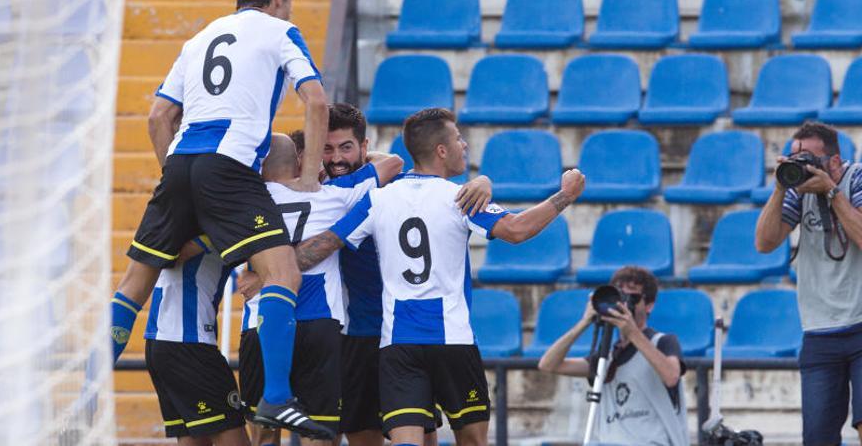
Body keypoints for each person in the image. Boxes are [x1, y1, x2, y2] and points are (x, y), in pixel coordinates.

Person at [108, 0, 331, 438]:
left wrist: (176, 179)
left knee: (134, 283)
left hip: (181, 161)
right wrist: (309, 175)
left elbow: (158, 118)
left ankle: (92, 382)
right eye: (289, 0)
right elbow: (315, 101)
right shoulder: (279, 32)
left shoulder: (200, 37)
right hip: (229, 165)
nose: (289, 8)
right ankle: (274, 398)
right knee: (283, 272)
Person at [294, 108, 586, 446]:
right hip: (450, 339)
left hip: (398, 342)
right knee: (473, 440)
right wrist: (566, 195)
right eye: (459, 140)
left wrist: (274, 271)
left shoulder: (377, 198)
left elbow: (325, 244)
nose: (465, 145)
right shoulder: (458, 198)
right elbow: (518, 230)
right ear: (442, 151)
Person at [320, 104, 491, 446]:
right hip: (353, 334)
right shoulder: (315, 194)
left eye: (346, 147)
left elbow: (409, 166)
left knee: (423, 435)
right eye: (327, 148)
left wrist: (483, 181)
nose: (337, 158)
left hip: (401, 334)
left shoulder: (390, 189)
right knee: (361, 436)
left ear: (365, 148)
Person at [237, 132, 403, 446]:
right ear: (299, 161)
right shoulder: (333, 196)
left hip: (261, 323)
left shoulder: (244, 203)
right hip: (318, 322)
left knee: (262, 433)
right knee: (318, 434)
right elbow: (392, 164)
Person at [755, 121, 862, 444]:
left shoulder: (856, 178)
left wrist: (830, 191)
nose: (803, 167)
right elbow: (764, 242)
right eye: (795, 159)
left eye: (809, 160)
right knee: (817, 437)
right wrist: (779, 187)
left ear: (833, 161)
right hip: (818, 332)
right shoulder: (798, 192)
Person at [538, 267, 689, 445]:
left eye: (631, 297)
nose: (623, 305)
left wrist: (632, 332)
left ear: (649, 305)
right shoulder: (607, 359)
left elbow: (671, 376)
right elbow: (548, 364)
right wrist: (585, 322)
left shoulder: (663, 342)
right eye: (619, 298)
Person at [144, 237, 250, 446]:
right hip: (188, 342)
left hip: (161, 341)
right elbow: (168, 256)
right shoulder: (212, 221)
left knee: (195, 438)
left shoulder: (176, 220)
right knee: (232, 435)